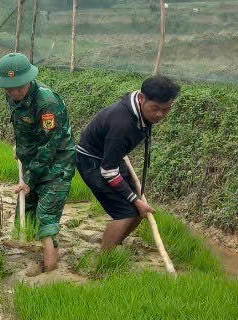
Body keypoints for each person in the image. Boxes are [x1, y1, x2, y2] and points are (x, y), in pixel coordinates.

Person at [74, 75, 180, 254]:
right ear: (141, 98)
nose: (160, 114)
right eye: (155, 108)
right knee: (125, 212)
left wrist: (137, 200)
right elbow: (108, 171)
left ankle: (114, 243)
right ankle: (105, 258)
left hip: (111, 158)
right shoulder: (123, 124)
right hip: (92, 162)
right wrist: (135, 200)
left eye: (166, 109)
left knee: (140, 210)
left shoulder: (139, 111)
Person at [0, 53, 74, 272]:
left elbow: (50, 145)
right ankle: (26, 261)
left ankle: (50, 272)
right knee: (26, 213)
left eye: (18, 87)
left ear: (29, 79)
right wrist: (20, 148)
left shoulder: (47, 102)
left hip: (57, 164)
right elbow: (25, 128)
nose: (14, 92)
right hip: (32, 161)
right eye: (9, 88)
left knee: (46, 216)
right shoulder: (12, 96)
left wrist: (28, 180)